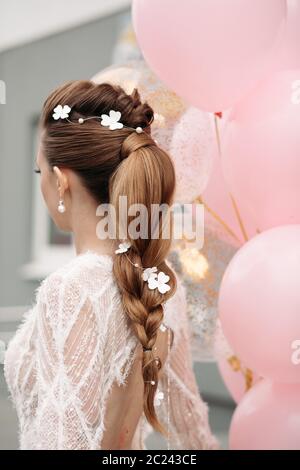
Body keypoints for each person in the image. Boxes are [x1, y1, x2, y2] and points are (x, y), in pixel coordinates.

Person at [4, 80, 219, 450]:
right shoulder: (163, 285)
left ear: (60, 182)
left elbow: (65, 442)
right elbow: (193, 435)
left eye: (40, 173)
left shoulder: (72, 288)